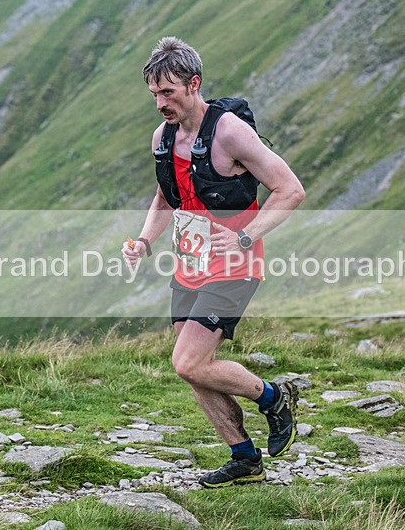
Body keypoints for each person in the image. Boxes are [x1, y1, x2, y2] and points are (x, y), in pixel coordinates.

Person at [122, 37, 305, 488]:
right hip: (189, 263)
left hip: (234, 266)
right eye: (154, 94)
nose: (160, 103)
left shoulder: (229, 132)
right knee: (195, 366)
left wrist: (245, 236)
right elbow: (166, 198)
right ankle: (244, 458)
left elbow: (290, 189)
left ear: (194, 83)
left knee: (186, 361)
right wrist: (145, 241)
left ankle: (274, 396)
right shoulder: (162, 138)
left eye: (168, 92)